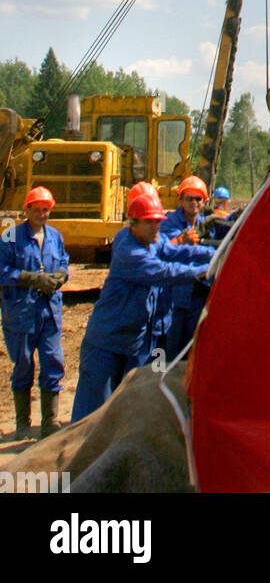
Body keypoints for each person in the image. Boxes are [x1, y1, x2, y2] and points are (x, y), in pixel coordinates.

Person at [70, 187, 212, 423]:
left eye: (158, 222)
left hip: (134, 341)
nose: (156, 227)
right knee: (92, 411)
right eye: (149, 223)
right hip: (106, 341)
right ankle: (74, 455)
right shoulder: (129, 249)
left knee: (128, 405)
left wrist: (213, 252)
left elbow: (177, 250)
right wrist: (205, 271)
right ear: (132, 224)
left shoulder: (150, 240)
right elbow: (164, 271)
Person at [0, 186, 69, 439]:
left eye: (46, 209)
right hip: (21, 314)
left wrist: (60, 276)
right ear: (26, 209)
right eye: (37, 209)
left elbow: (63, 261)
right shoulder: (10, 236)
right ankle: (22, 423)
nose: (42, 214)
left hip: (49, 312)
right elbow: (2, 271)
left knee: (53, 360)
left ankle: (50, 422)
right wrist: (31, 278)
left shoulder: (55, 236)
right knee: (24, 364)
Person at [159, 175, 211, 361]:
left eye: (198, 199)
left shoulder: (205, 224)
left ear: (205, 201)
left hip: (197, 295)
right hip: (173, 295)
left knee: (191, 347)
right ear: (181, 200)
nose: (194, 203)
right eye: (189, 198)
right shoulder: (169, 222)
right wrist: (182, 240)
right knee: (169, 346)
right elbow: (165, 249)